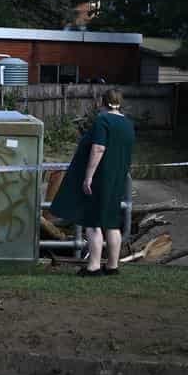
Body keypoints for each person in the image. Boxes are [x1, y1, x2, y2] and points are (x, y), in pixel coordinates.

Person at [50, 89, 136, 276]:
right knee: (112, 222)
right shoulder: (128, 124)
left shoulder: (102, 121)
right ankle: (113, 266)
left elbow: (98, 148)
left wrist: (88, 176)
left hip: (100, 178)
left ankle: (94, 266)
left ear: (102, 102)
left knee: (93, 222)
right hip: (117, 178)